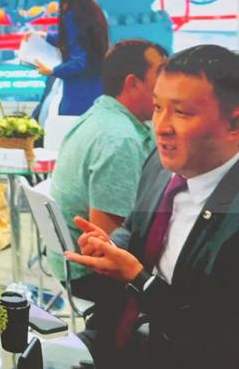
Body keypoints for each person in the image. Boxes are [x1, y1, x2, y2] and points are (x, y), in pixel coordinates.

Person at [60, 44, 239, 369]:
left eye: (182, 112)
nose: (161, 126)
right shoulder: (160, 165)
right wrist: (110, 245)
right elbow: (136, 230)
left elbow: (214, 337)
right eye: (158, 107)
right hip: (126, 336)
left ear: (233, 124)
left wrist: (139, 278)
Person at [49, 40, 166, 309]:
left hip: (66, 262)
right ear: (133, 83)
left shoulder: (99, 116)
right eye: (160, 75)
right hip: (90, 274)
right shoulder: (119, 139)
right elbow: (109, 246)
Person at [33, 0, 108, 116]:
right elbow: (73, 41)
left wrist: (52, 71)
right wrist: (45, 36)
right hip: (94, 90)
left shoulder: (74, 15)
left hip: (80, 95)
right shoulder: (89, 10)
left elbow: (81, 61)